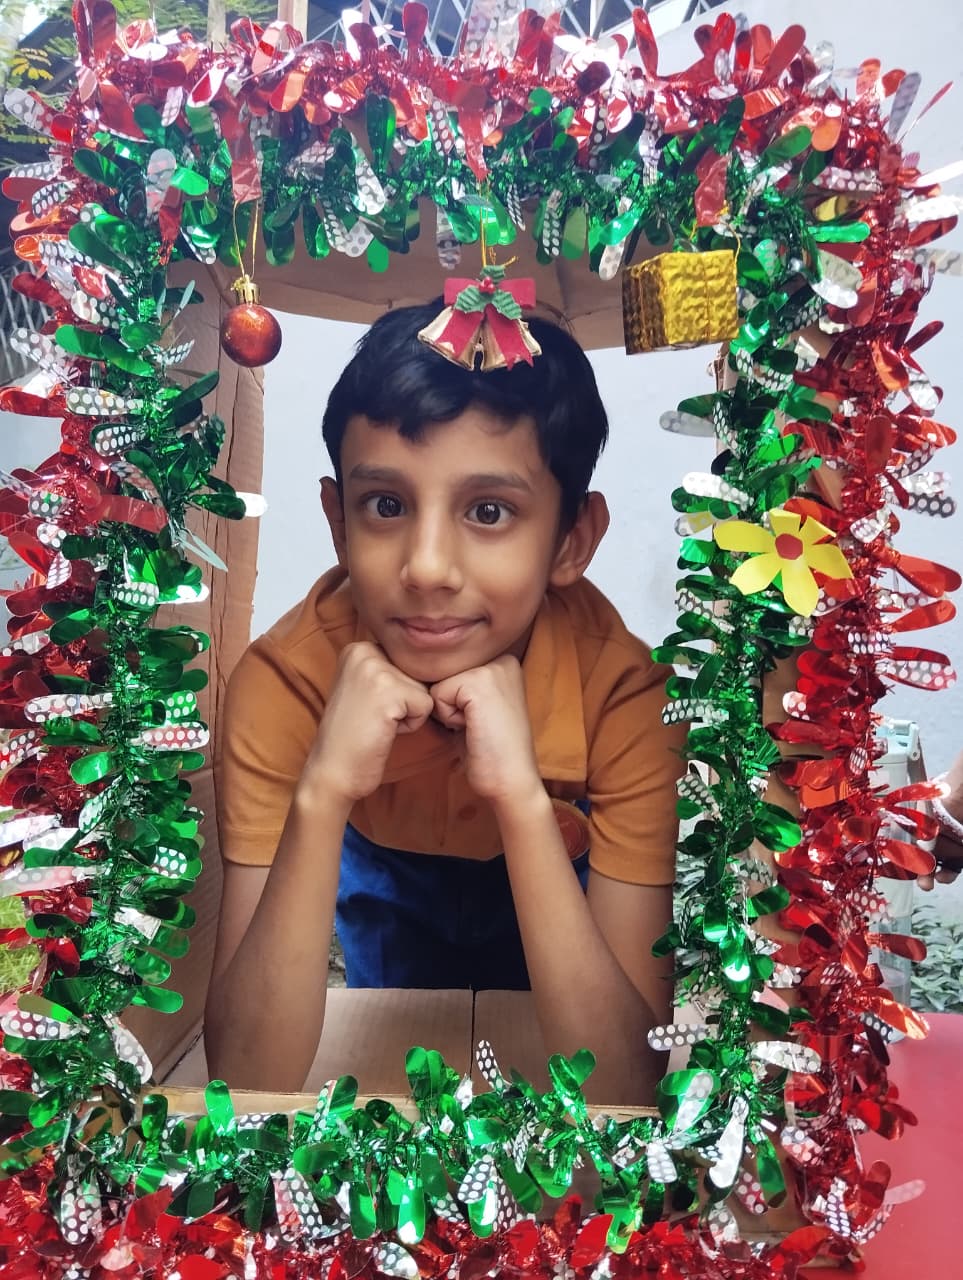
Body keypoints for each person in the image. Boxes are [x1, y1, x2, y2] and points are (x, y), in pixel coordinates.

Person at [203, 303, 685, 1101]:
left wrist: (522, 801)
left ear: (571, 540)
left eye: (488, 512)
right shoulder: (286, 682)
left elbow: (621, 1085)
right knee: (404, 1052)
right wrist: (323, 793)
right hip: (384, 862)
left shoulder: (624, 696)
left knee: (536, 1077)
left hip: (556, 865)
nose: (426, 568)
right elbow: (247, 1078)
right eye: (386, 506)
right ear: (338, 521)